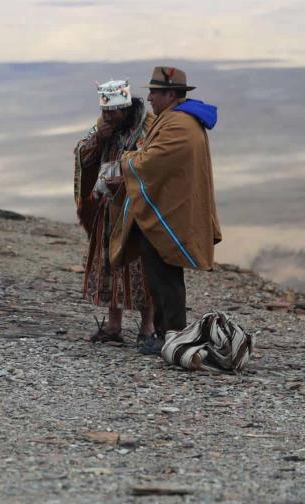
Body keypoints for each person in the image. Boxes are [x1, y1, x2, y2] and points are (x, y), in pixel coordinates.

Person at [109, 66, 222, 355]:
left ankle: (172, 335)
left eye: (154, 93)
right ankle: (165, 333)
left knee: (166, 276)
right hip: (167, 207)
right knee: (159, 274)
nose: (148, 98)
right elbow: (152, 156)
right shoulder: (174, 119)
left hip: (169, 213)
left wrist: (125, 161)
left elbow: (153, 161)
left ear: (171, 94)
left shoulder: (179, 125)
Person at [73, 80, 155, 344]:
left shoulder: (148, 126)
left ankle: (148, 327)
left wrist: (127, 178)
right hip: (109, 208)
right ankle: (113, 326)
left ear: (126, 108)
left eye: (113, 112)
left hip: (138, 208)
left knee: (142, 266)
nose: (107, 117)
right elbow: (81, 153)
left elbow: (155, 161)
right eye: (104, 112)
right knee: (110, 262)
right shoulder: (105, 127)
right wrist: (99, 138)